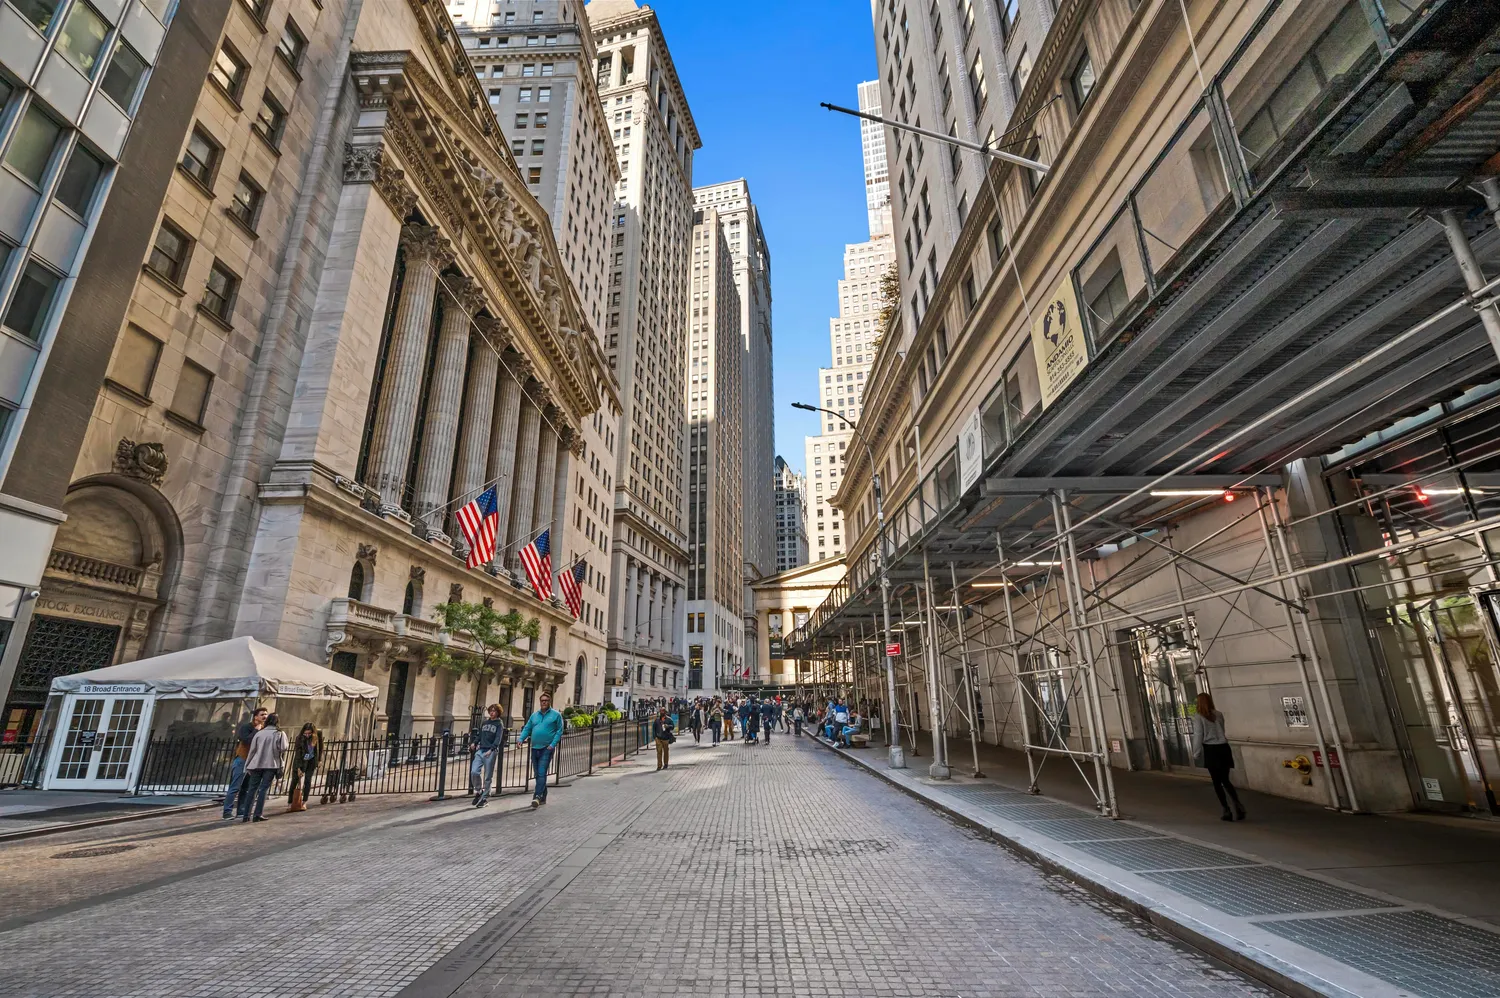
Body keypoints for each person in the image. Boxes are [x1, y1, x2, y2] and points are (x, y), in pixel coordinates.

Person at [1192, 693, 1245, 821]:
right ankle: (1238, 804)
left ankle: (1226, 809)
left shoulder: (1199, 717)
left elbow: (1199, 735)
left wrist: (1196, 752)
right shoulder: (1219, 714)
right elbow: (1222, 729)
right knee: (1226, 780)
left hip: (1211, 750)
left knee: (1217, 782)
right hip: (1224, 748)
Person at [516, 692, 564, 808]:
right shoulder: (534, 715)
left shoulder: (556, 715)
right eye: (542, 700)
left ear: (549, 702)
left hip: (547, 748)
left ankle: (537, 796)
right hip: (534, 747)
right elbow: (528, 728)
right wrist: (521, 738)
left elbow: (559, 730)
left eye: (546, 700)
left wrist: (552, 744)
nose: (544, 702)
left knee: (541, 772)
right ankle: (543, 795)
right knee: (538, 774)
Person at [241, 713, 287, 823]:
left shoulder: (259, 733)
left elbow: (252, 750)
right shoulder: (279, 733)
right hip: (270, 764)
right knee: (263, 789)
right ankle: (257, 814)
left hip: (256, 764)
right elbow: (284, 748)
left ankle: (246, 815)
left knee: (252, 789)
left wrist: (247, 766)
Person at [224, 707, 267, 819]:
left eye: (266, 714)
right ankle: (227, 812)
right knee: (235, 787)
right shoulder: (246, 727)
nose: (264, 716)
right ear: (256, 717)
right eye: (262, 714)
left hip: (253, 761)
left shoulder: (264, 728)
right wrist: (256, 730)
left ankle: (241, 811)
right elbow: (246, 740)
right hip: (242, 759)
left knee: (246, 787)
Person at [470, 704, 506, 808]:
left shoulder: (499, 724)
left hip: (490, 751)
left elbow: (498, 738)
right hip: (481, 750)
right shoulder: (485, 722)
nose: (492, 712)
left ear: (498, 712)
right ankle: (479, 790)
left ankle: (485, 798)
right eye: (490, 710)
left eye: (494, 711)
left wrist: (492, 749)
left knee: (487, 776)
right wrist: (474, 743)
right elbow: (480, 735)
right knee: (474, 771)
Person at [287, 722, 319, 812]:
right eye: (306, 733)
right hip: (300, 761)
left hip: (311, 761)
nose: (307, 735)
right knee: (294, 782)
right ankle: (290, 803)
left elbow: (320, 749)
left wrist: (319, 760)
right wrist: (298, 768)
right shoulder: (300, 738)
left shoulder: (316, 736)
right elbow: (298, 754)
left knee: (307, 781)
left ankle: (304, 802)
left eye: (309, 733)